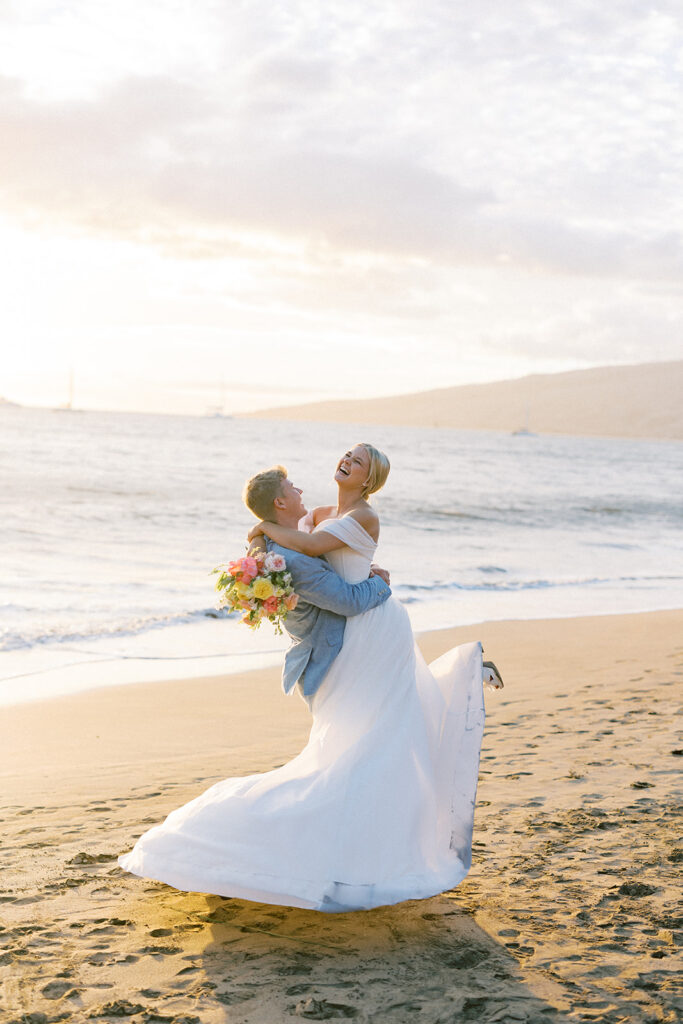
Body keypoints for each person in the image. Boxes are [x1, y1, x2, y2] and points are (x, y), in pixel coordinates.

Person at [118, 444, 502, 912]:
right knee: (357, 737)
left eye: (357, 461)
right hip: (351, 631)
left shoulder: (363, 516)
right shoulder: (320, 512)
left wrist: (264, 529)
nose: (346, 461)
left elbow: (314, 547)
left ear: (368, 479)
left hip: (376, 627)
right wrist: (261, 540)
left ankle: (373, 845)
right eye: (346, 454)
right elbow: (293, 541)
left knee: (379, 734)